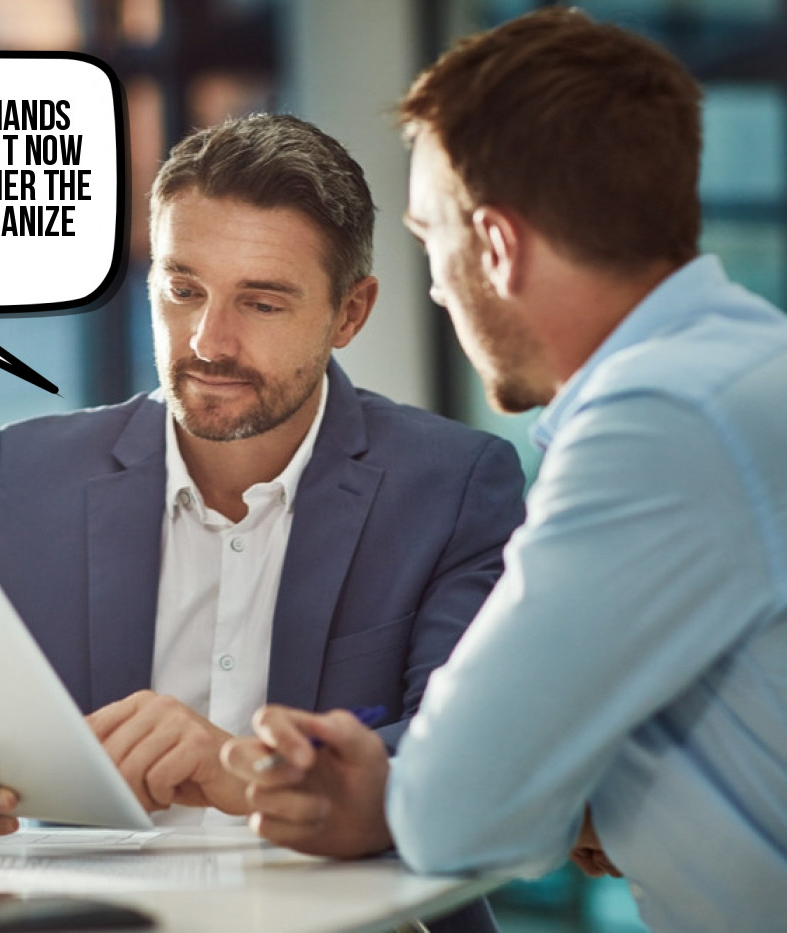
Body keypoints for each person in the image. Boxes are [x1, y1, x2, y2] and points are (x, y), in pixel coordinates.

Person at [0, 115, 523, 896]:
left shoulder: (450, 483)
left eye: (262, 303)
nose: (209, 340)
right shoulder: (29, 477)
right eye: (183, 290)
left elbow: (471, 756)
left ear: (350, 312)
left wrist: (235, 769)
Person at [221, 9, 787, 932]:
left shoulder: (660, 419)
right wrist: (582, 798)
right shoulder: (737, 369)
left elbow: (459, 808)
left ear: (496, 245)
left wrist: (403, 795)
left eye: (430, 239)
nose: (436, 285)